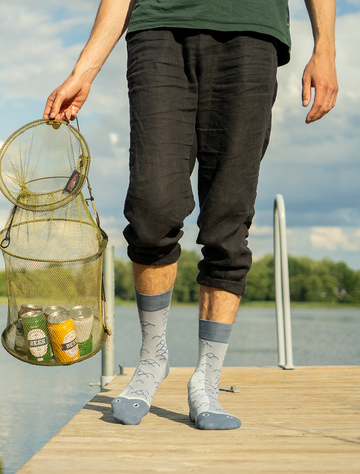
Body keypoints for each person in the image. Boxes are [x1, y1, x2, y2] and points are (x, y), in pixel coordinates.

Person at [44, 0, 338, 429]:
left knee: (228, 221)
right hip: (159, 28)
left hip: (253, 31)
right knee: (151, 208)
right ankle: (152, 358)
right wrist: (84, 70)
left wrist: (325, 48)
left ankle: (207, 377)